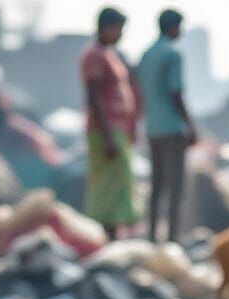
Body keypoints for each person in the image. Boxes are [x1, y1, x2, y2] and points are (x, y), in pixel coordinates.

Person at [136, 9, 197, 243]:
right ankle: (172, 239)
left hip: (152, 128)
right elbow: (176, 93)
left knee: (156, 186)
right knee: (175, 187)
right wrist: (190, 126)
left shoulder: (146, 55)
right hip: (172, 129)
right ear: (173, 27)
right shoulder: (172, 54)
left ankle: (152, 236)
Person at [80, 7, 140, 239]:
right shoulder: (94, 55)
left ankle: (113, 235)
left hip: (116, 129)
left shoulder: (108, 54)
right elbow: (94, 97)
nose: (121, 34)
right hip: (105, 131)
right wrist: (107, 136)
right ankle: (106, 236)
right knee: (107, 186)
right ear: (106, 28)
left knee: (119, 184)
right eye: (119, 29)